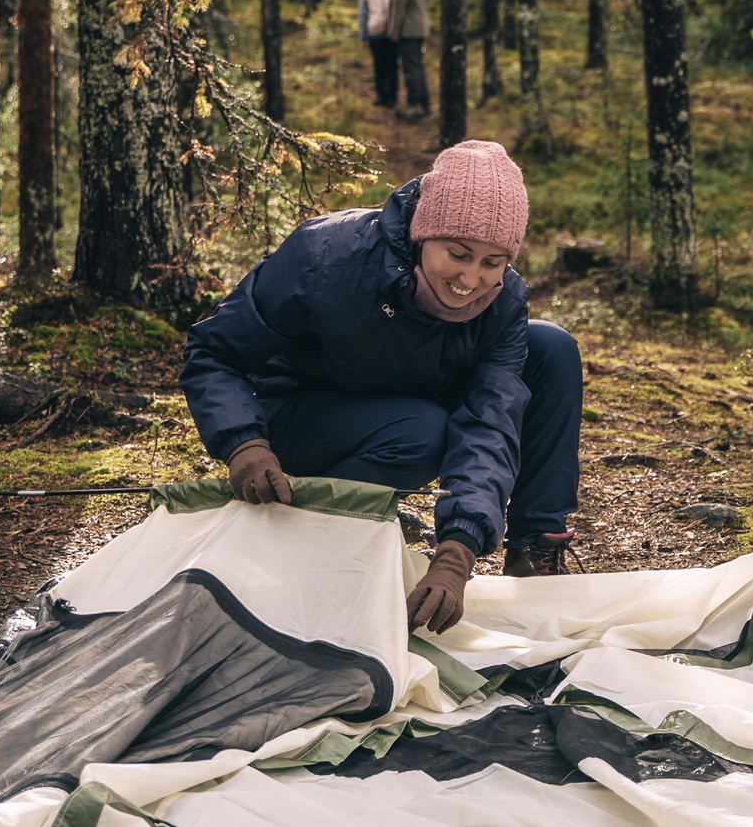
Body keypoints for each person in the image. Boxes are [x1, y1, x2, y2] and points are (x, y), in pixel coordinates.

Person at [179, 140, 581, 631]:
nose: (471, 278)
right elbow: (213, 352)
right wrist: (243, 442)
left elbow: (490, 422)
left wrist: (458, 550)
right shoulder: (326, 255)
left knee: (551, 350)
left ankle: (533, 550)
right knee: (422, 432)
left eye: (493, 262)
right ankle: (318, 536)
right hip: (299, 413)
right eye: (458, 253)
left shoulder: (502, 305)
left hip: (408, 397)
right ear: (421, 233)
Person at [386, 0, 432, 121]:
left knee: (411, 67)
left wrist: (394, 29)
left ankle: (415, 105)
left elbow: (399, 2)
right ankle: (424, 103)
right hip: (420, 24)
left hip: (409, 27)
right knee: (417, 66)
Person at [358, 0, 400, 108]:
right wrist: (363, 35)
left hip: (392, 33)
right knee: (379, 66)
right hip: (375, 34)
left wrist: (398, 30)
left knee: (392, 65)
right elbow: (362, 13)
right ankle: (381, 95)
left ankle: (393, 96)